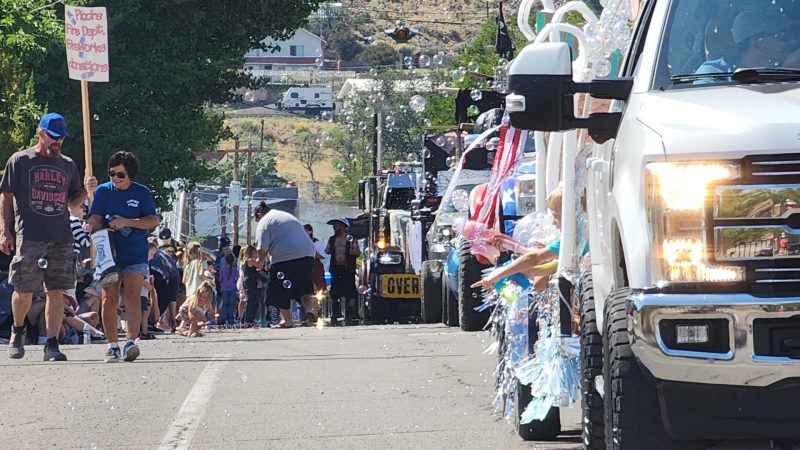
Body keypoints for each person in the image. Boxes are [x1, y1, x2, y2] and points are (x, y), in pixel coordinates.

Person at [0, 112, 94, 361]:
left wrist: (86, 190)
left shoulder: (67, 165)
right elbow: (6, 196)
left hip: (61, 236)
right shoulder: (20, 160)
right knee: (24, 288)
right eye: (53, 137)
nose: (58, 142)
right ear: (41, 133)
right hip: (30, 234)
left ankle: (52, 343)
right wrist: (4, 230)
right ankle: (17, 330)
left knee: (56, 290)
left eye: (61, 138)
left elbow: (73, 204)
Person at [87, 151, 158, 363]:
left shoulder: (142, 193)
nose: (115, 178)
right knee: (108, 297)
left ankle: (130, 342)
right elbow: (96, 218)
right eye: (112, 173)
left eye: (121, 174)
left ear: (130, 175)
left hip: (134, 251)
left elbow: (152, 220)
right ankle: (112, 345)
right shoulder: (103, 191)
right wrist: (94, 224)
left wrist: (127, 222)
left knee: (133, 295)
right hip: (108, 253)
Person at [472, 185, 563, 291]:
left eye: (556, 216)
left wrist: (497, 275)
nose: (552, 222)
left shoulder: (566, 243)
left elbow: (533, 260)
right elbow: (537, 266)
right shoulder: (571, 242)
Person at [695, 5, 800, 81]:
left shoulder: (795, 70)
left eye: (793, 35)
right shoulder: (711, 75)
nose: (793, 41)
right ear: (758, 42)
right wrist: (783, 75)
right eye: (783, 37)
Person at [253, 202, 315, 328]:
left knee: (278, 288)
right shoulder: (285, 215)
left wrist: (259, 262)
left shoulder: (264, 221)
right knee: (304, 287)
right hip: (308, 254)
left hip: (285, 257)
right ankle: (310, 311)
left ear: (259, 214)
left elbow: (262, 249)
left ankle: (287, 320)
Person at [325, 219, 360, 326]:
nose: (335, 228)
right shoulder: (332, 239)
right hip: (336, 268)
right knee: (335, 293)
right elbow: (326, 251)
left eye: (338, 226)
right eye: (334, 226)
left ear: (344, 227)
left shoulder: (351, 238)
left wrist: (352, 247)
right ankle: (335, 315)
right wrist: (331, 247)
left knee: (350, 292)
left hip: (348, 269)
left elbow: (357, 253)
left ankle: (349, 315)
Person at [148, 241, 180, 331]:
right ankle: (149, 323)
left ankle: (144, 323)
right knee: (159, 299)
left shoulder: (161, 255)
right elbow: (172, 296)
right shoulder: (173, 269)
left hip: (149, 269)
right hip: (159, 275)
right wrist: (172, 317)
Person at [303, 224, 327, 322]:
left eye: (305, 231)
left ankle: (316, 310)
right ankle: (308, 311)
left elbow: (323, 255)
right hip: (304, 266)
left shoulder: (317, 242)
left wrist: (314, 253)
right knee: (305, 290)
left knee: (317, 288)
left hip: (315, 266)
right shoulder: (299, 242)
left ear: (310, 231)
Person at [239, 244, 264, 326]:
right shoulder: (250, 260)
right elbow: (260, 266)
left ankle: (247, 319)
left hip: (251, 281)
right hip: (250, 282)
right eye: (254, 253)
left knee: (253, 300)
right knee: (251, 301)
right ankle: (248, 320)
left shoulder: (246, 261)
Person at [218, 252, 239, 326]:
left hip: (224, 288)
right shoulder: (235, 270)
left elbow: (220, 279)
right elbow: (237, 278)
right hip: (232, 288)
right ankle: (231, 320)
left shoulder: (222, 269)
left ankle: (224, 318)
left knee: (225, 303)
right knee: (231, 304)